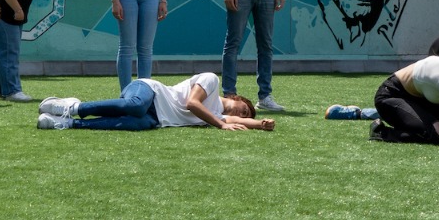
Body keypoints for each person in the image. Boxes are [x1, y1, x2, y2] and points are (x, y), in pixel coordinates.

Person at [36, 74, 271, 132]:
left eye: (245, 115)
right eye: (244, 109)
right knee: (136, 105)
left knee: (139, 123)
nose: (243, 114)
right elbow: (192, 103)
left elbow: (240, 121)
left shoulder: (218, 116)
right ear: (236, 98)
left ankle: (69, 124)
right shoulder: (212, 80)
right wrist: (221, 125)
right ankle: (73, 107)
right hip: (149, 91)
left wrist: (261, 124)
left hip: (156, 117)